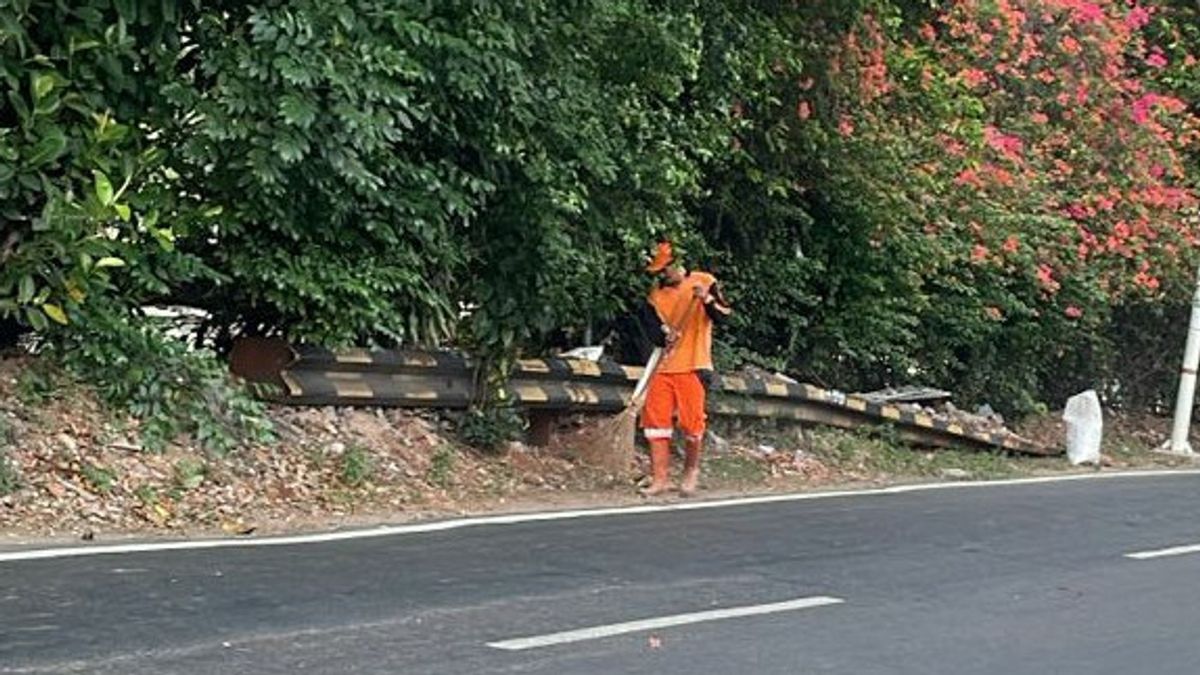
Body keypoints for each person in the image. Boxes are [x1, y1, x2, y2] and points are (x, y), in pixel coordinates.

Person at [637, 240, 732, 496]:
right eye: (658, 272)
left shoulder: (704, 280)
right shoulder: (655, 296)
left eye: (664, 269)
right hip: (664, 367)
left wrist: (708, 299)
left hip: (694, 365)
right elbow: (651, 330)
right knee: (656, 424)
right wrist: (663, 334)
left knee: (692, 425)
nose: (662, 276)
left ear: (677, 263)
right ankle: (660, 479)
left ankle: (691, 472)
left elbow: (725, 315)